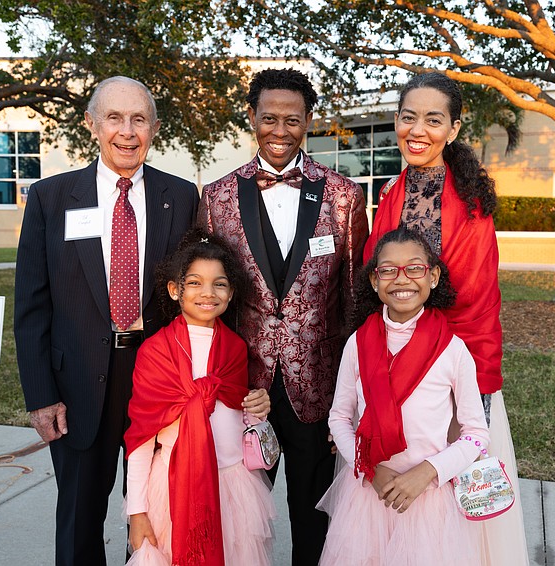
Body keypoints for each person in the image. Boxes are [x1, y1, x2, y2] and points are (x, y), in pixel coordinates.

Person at [14, 76, 199, 566]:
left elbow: (195, 295)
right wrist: (40, 396)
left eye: (139, 119)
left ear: (154, 128)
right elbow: (31, 307)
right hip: (75, 384)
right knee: (79, 518)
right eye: (114, 118)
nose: (127, 131)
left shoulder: (180, 197)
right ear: (91, 124)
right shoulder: (51, 199)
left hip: (158, 380)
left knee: (154, 512)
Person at [198, 68, 369, 566]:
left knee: (313, 513)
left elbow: (355, 300)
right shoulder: (217, 196)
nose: (279, 130)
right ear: (251, 117)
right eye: (268, 118)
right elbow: (208, 300)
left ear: (308, 121)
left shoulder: (343, 195)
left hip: (318, 383)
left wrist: (354, 389)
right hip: (242, 386)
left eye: (292, 120)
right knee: (240, 512)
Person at [364, 71, 528, 565]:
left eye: (433, 120)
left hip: (450, 371)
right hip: (390, 363)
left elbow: (473, 297)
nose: (418, 130)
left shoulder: (470, 203)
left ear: (453, 129)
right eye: (408, 117)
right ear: (395, 121)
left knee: (448, 496)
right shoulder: (393, 194)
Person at [319, 227, 490, 565]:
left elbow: (476, 435)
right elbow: (339, 417)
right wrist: (369, 468)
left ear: (434, 275)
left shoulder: (453, 351)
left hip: (427, 499)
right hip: (369, 495)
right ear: (374, 280)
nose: (402, 279)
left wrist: (428, 471)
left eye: (414, 268)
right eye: (388, 270)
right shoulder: (358, 343)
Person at [124, 228, 275, 566]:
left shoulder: (235, 348)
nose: (208, 293)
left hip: (233, 485)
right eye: (194, 283)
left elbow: (238, 410)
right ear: (175, 290)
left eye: (219, 284)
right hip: (173, 486)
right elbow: (141, 439)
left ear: (231, 292)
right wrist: (137, 512)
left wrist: (257, 407)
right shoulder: (156, 351)